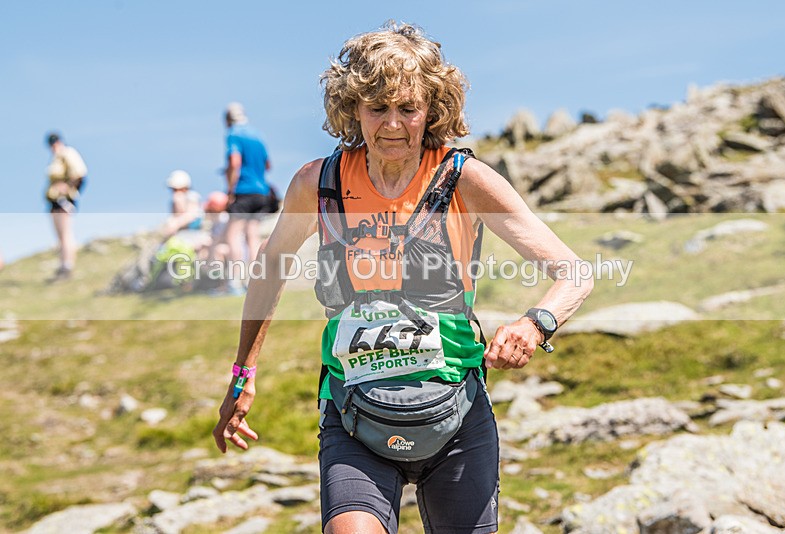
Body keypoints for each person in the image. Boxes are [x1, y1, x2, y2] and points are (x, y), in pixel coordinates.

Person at [213, 23, 593, 534]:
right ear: (352, 109)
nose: (392, 124)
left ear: (432, 110)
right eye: (377, 108)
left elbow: (575, 272)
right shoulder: (318, 185)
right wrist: (243, 374)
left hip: (456, 415)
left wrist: (535, 323)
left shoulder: (464, 180)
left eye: (408, 108)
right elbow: (269, 269)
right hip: (354, 414)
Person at [222, 102, 272, 294]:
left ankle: (235, 282)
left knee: (233, 234)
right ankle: (255, 280)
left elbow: (235, 162)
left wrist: (230, 189)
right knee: (253, 235)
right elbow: (267, 165)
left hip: (244, 189)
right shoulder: (257, 135)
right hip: (261, 191)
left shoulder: (233, 134)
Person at [44, 132, 87, 281]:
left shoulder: (68, 153)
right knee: (60, 236)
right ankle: (62, 265)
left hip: (64, 201)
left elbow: (80, 173)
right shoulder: (55, 159)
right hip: (54, 201)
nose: (53, 145)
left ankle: (67, 266)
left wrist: (68, 188)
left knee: (65, 233)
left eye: (55, 142)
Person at [162, 170, 204, 237]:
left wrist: (176, 224)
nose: (174, 192)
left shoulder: (192, 197)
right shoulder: (174, 201)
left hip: (192, 233)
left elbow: (191, 215)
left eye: (175, 189)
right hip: (181, 234)